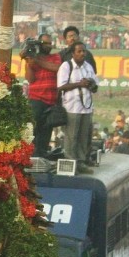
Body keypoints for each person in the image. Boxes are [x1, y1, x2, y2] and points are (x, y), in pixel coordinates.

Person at [56, 42, 98, 172]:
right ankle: (70, 163)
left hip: (86, 106)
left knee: (83, 136)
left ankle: (80, 162)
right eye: (79, 51)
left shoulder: (88, 67)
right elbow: (61, 86)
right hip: (72, 106)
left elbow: (95, 87)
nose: (82, 54)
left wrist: (90, 84)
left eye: (84, 51)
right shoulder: (66, 66)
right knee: (71, 136)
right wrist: (79, 84)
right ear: (73, 53)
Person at [24, 33, 62, 159]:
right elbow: (30, 79)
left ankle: (41, 155)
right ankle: (30, 156)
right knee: (33, 129)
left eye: (50, 43)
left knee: (46, 130)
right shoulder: (33, 58)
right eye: (46, 43)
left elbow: (57, 68)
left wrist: (37, 61)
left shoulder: (55, 57)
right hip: (36, 98)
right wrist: (29, 62)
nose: (49, 46)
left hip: (51, 99)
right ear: (39, 44)